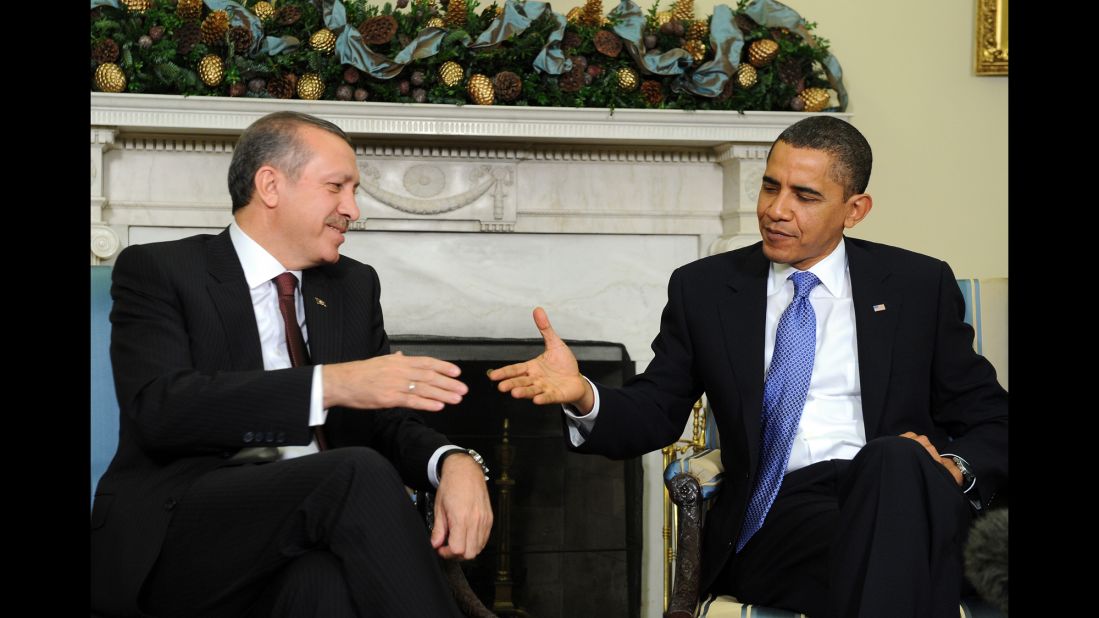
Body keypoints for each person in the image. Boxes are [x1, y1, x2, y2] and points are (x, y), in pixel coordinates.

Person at [490, 115, 1007, 617]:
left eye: (804, 196)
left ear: (855, 209)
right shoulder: (708, 290)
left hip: (906, 493)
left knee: (893, 463)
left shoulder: (916, 285)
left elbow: (993, 419)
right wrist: (585, 394)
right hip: (787, 515)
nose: (776, 210)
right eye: (769, 187)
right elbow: (657, 407)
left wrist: (954, 468)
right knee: (897, 558)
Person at [91, 111, 493, 618]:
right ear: (271, 185)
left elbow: (386, 422)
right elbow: (161, 409)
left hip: (300, 539)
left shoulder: (352, 286)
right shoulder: (162, 270)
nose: (353, 209)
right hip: (180, 539)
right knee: (354, 472)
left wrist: (454, 461)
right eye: (336, 187)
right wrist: (328, 385)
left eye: (354, 190)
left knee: (323, 585)